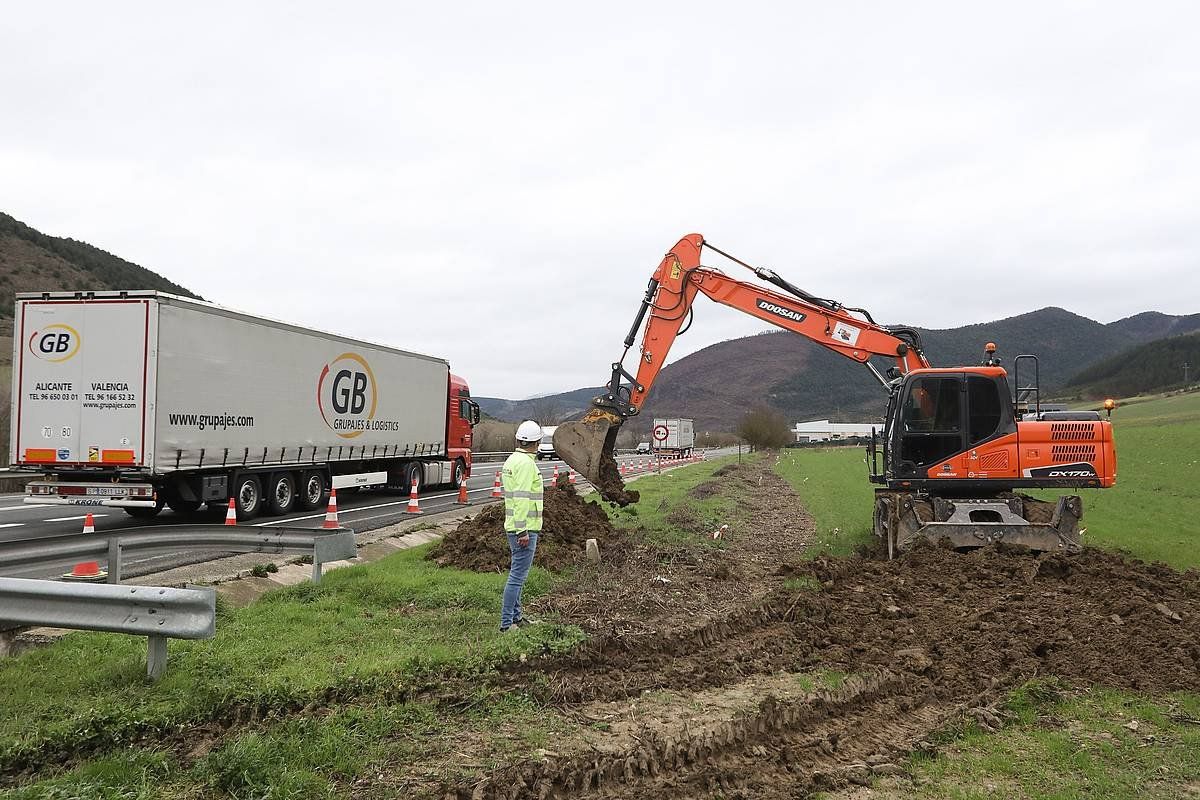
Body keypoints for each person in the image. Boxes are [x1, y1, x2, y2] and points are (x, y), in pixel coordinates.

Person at [499, 420, 544, 632]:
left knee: (518, 574)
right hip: (524, 529)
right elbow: (521, 498)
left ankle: (517, 619)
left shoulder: (511, 460)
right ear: (537, 443)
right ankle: (507, 624)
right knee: (517, 576)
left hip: (515, 526)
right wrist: (522, 530)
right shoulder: (527, 464)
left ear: (518, 440)